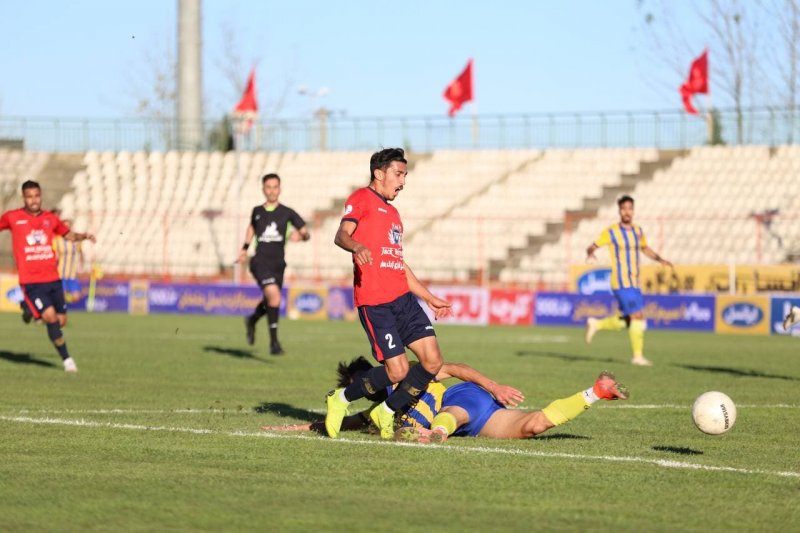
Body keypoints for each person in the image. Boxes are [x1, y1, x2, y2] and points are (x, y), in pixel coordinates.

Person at [325, 147, 454, 439]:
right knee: (396, 372)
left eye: (405, 175)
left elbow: (397, 262)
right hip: (376, 302)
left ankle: (385, 410)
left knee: (432, 362)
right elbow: (341, 234)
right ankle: (341, 399)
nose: (403, 181)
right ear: (379, 173)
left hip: (404, 300)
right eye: (398, 174)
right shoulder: (361, 199)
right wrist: (356, 246)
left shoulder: (394, 214)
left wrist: (429, 297)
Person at [263, 356, 628, 442]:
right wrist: (299, 425)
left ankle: (436, 433)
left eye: (362, 383)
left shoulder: (405, 374)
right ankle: (596, 391)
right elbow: (349, 422)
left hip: (463, 399)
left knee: (448, 414)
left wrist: (495, 385)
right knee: (534, 426)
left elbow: (451, 367)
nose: (365, 391)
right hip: (480, 419)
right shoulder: (381, 410)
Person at [0, 181, 96, 372]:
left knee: (61, 321)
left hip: (53, 279)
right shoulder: (12, 217)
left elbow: (67, 235)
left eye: (36, 195)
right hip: (31, 281)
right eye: (29, 196)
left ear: (41, 195)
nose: (33, 200)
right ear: (23, 197)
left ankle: (27, 307)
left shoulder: (50, 219)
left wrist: (84, 236)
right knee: (51, 318)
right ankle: (67, 360)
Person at [584, 195, 672, 366]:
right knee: (637, 316)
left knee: (631, 319)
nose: (627, 212)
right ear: (619, 211)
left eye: (630, 208)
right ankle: (637, 356)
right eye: (624, 208)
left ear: (633, 210)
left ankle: (597, 324)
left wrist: (660, 259)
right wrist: (590, 253)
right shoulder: (612, 232)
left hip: (634, 283)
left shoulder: (638, 231)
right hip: (620, 282)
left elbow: (645, 248)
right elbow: (593, 245)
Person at [238, 173, 310, 355]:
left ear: (280, 189)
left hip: (278, 264)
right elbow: (251, 227)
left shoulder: (287, 212)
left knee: (271, 299)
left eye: (275, 187)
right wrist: (245, 248)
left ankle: (253, 320)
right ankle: (274, 344)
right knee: (275, 296)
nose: (271, 190)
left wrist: (301, 236)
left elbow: (306, 232)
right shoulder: (257, 211)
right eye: (268, 187)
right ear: (263, 189)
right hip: (260, 261)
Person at [52, 218, 85, 304]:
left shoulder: (76, 241)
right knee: (61, 295)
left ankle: (62, 304)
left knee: (76, 297)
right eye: (65, 226)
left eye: (69, 226)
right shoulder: (57, 240)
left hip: (72, 273)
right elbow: (54, 254)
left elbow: (81, 252)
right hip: (60, 273)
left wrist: (82, 265)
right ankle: (60, 307)